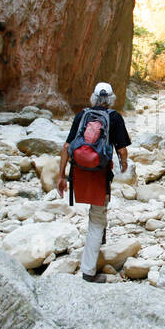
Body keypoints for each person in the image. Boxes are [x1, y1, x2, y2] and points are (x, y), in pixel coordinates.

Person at [56, 82, 131, 282]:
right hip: (100, 175)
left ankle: (100, 242)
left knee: (96, 213)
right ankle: (89, 272)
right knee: (97, 217)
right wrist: (123, 163)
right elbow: (122, 149)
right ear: (111, 99)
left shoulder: (82, 116)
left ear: (93, 98)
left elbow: (66, 146)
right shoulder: (114, 118)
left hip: (79, 173)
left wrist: (61, 176)